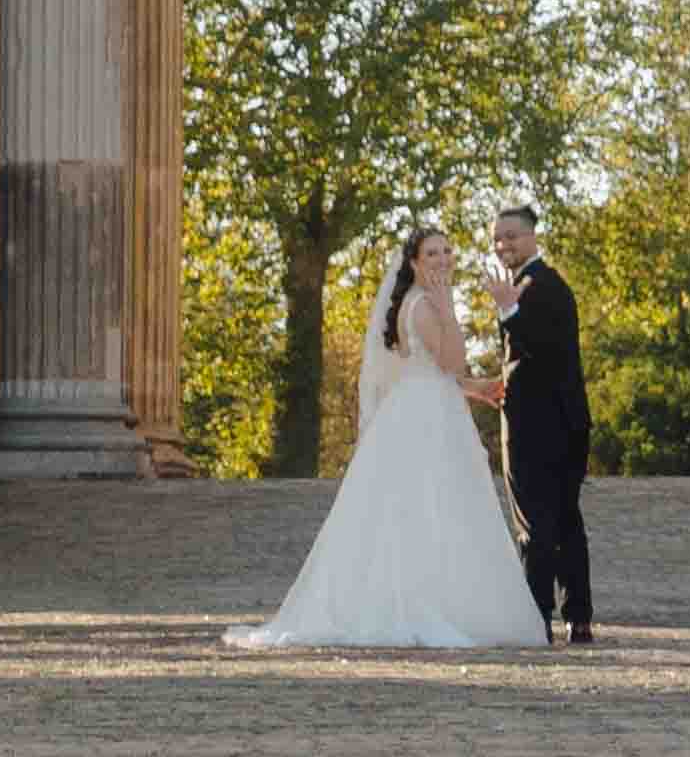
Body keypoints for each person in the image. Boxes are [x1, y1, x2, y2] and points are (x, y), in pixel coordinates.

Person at [229, 206, 548, 658]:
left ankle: (433, 597)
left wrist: (474, 388)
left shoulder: (412, 303)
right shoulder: (425, 306)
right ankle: (420, 605)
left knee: (425, 507)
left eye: (447, 251)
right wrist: (449, 312)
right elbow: (451, 361)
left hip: (421, 406)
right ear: (414, 262)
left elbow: (428, 371)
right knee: (427, 506)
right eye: (432, 253)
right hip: (426, 418)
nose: (443, 259)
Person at [486, 192, 597, 646]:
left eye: (511, 236)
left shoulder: (541, 285)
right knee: (566, 520)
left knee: (535, 522)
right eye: (496, 239)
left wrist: (509, 311)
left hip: (537, 425)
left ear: (533, 237)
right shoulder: (537, 284)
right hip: (566, 421)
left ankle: (536, 619)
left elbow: (538, 348)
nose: (503, 245)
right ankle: (578, 617)